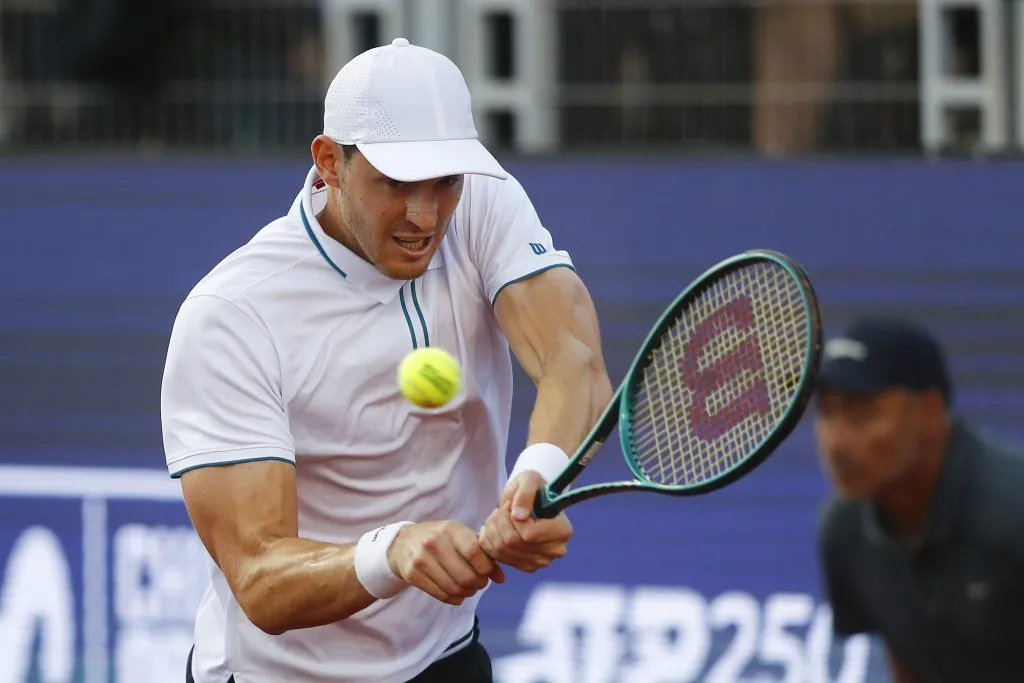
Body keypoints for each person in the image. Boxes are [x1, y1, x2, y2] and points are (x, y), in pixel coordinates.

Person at [160, 37, 613, 683]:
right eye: (396, 183)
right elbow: (260, 577)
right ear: (329, 162)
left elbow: (574, 359)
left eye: (445, 182)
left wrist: (541, 472)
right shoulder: (233, 315)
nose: (425, 215)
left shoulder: (482, 202)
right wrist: (390, 551)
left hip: (446, 657)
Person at [813, 316, 1024, 683]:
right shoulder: (843, 531)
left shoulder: (1014, 510)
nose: (837, 442)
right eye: (826, 413)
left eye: (862, 413)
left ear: (928, 411)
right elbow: (908, 661)